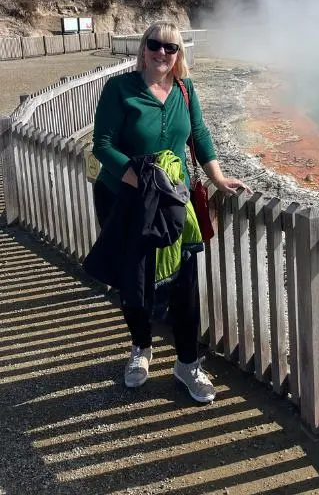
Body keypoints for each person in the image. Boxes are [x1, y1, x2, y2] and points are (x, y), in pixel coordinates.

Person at [91, 21, 249, 403]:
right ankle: (141, 349)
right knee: (135, 282)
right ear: (143, 49)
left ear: (179, 54)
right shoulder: (119, 89)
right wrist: (142, 181)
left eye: (171, 48)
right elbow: (102, 145)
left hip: (173, 203)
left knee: (184, 284)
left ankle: (188, 364)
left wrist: (218, 176)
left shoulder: (184, 87)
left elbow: (199, 133)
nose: (163, 53)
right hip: (125, 199)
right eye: (156, 45)